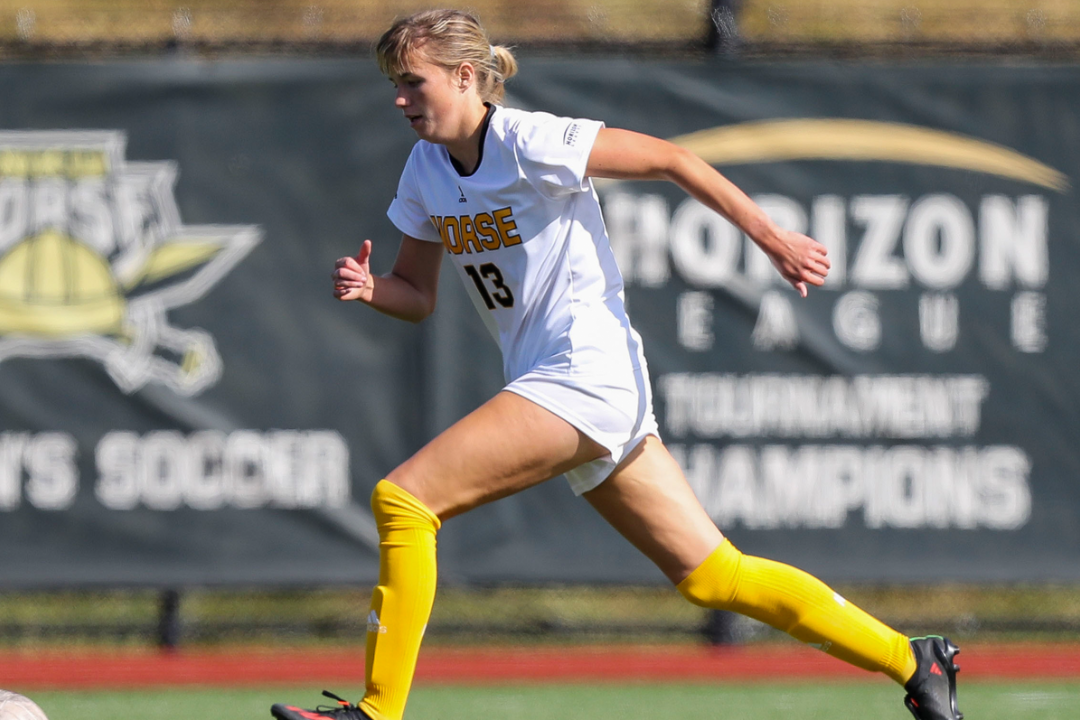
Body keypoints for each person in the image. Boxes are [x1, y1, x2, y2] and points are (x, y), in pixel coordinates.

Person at [271, 9, 961, 720]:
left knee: (405, 500)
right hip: (564, 384)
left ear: (466, 77)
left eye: (413, 82)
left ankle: (378, 710)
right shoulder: (424, 170)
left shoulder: (527, 139)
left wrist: (772, 236)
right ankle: (914, 658)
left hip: (584, 373)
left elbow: (673, 159)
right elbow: (418, 296)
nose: (400, 99)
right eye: (394, 83)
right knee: (713, 576)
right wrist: (371, 289)